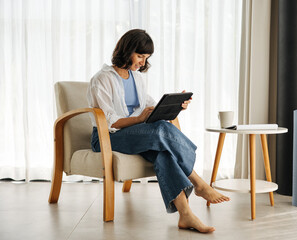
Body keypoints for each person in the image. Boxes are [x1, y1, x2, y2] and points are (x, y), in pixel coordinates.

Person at [87, 29, 230, 233]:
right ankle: (198, 182)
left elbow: (150, 106)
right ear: (126, 50)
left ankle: (185, 215)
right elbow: (109, 121)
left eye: (146, 58)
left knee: (163, 153)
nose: (143, 63)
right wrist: (139, 119)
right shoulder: (102, 79)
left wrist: (173, 106)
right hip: (106, 137)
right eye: (140, 56)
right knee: (161, 129)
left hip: (134, 135)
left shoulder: (136, 78)